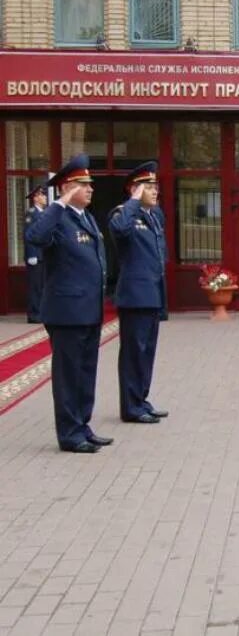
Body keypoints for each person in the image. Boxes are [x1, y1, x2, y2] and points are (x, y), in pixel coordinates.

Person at [25, 154, 111, 453]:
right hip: (67, 312)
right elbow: (35, 237)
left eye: (90, 184)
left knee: (86, 373)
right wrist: (58, 203)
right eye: (83, 184)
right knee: (68, 375)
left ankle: (82, 425)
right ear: (67, 187)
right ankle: (69, 434)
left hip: (88, 310)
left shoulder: (86, 216)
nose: (90, 189)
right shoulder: (56, 216)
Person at [109, 161, 170, 425]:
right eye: (148, 186)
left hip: (153, 293)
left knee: (147, 351)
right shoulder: (123, 214)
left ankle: (141, 399)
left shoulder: (154, 215)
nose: (155, 191)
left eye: (156, 186)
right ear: (134, 189)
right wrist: (134, 199)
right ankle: (131, 406)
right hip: (134, 295)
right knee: (134, 352)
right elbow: (120, 229)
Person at [24, 184, 47, 323]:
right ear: (36, 198)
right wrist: (32, 254)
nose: (45, 198)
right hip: (35, 256)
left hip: (43, 255)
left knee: (42, 285)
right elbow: (29, 235)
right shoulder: (31, 213)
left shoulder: (43, 213)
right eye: (42, 195)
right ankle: (33, 314)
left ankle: (40, 311)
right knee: (35, 286)